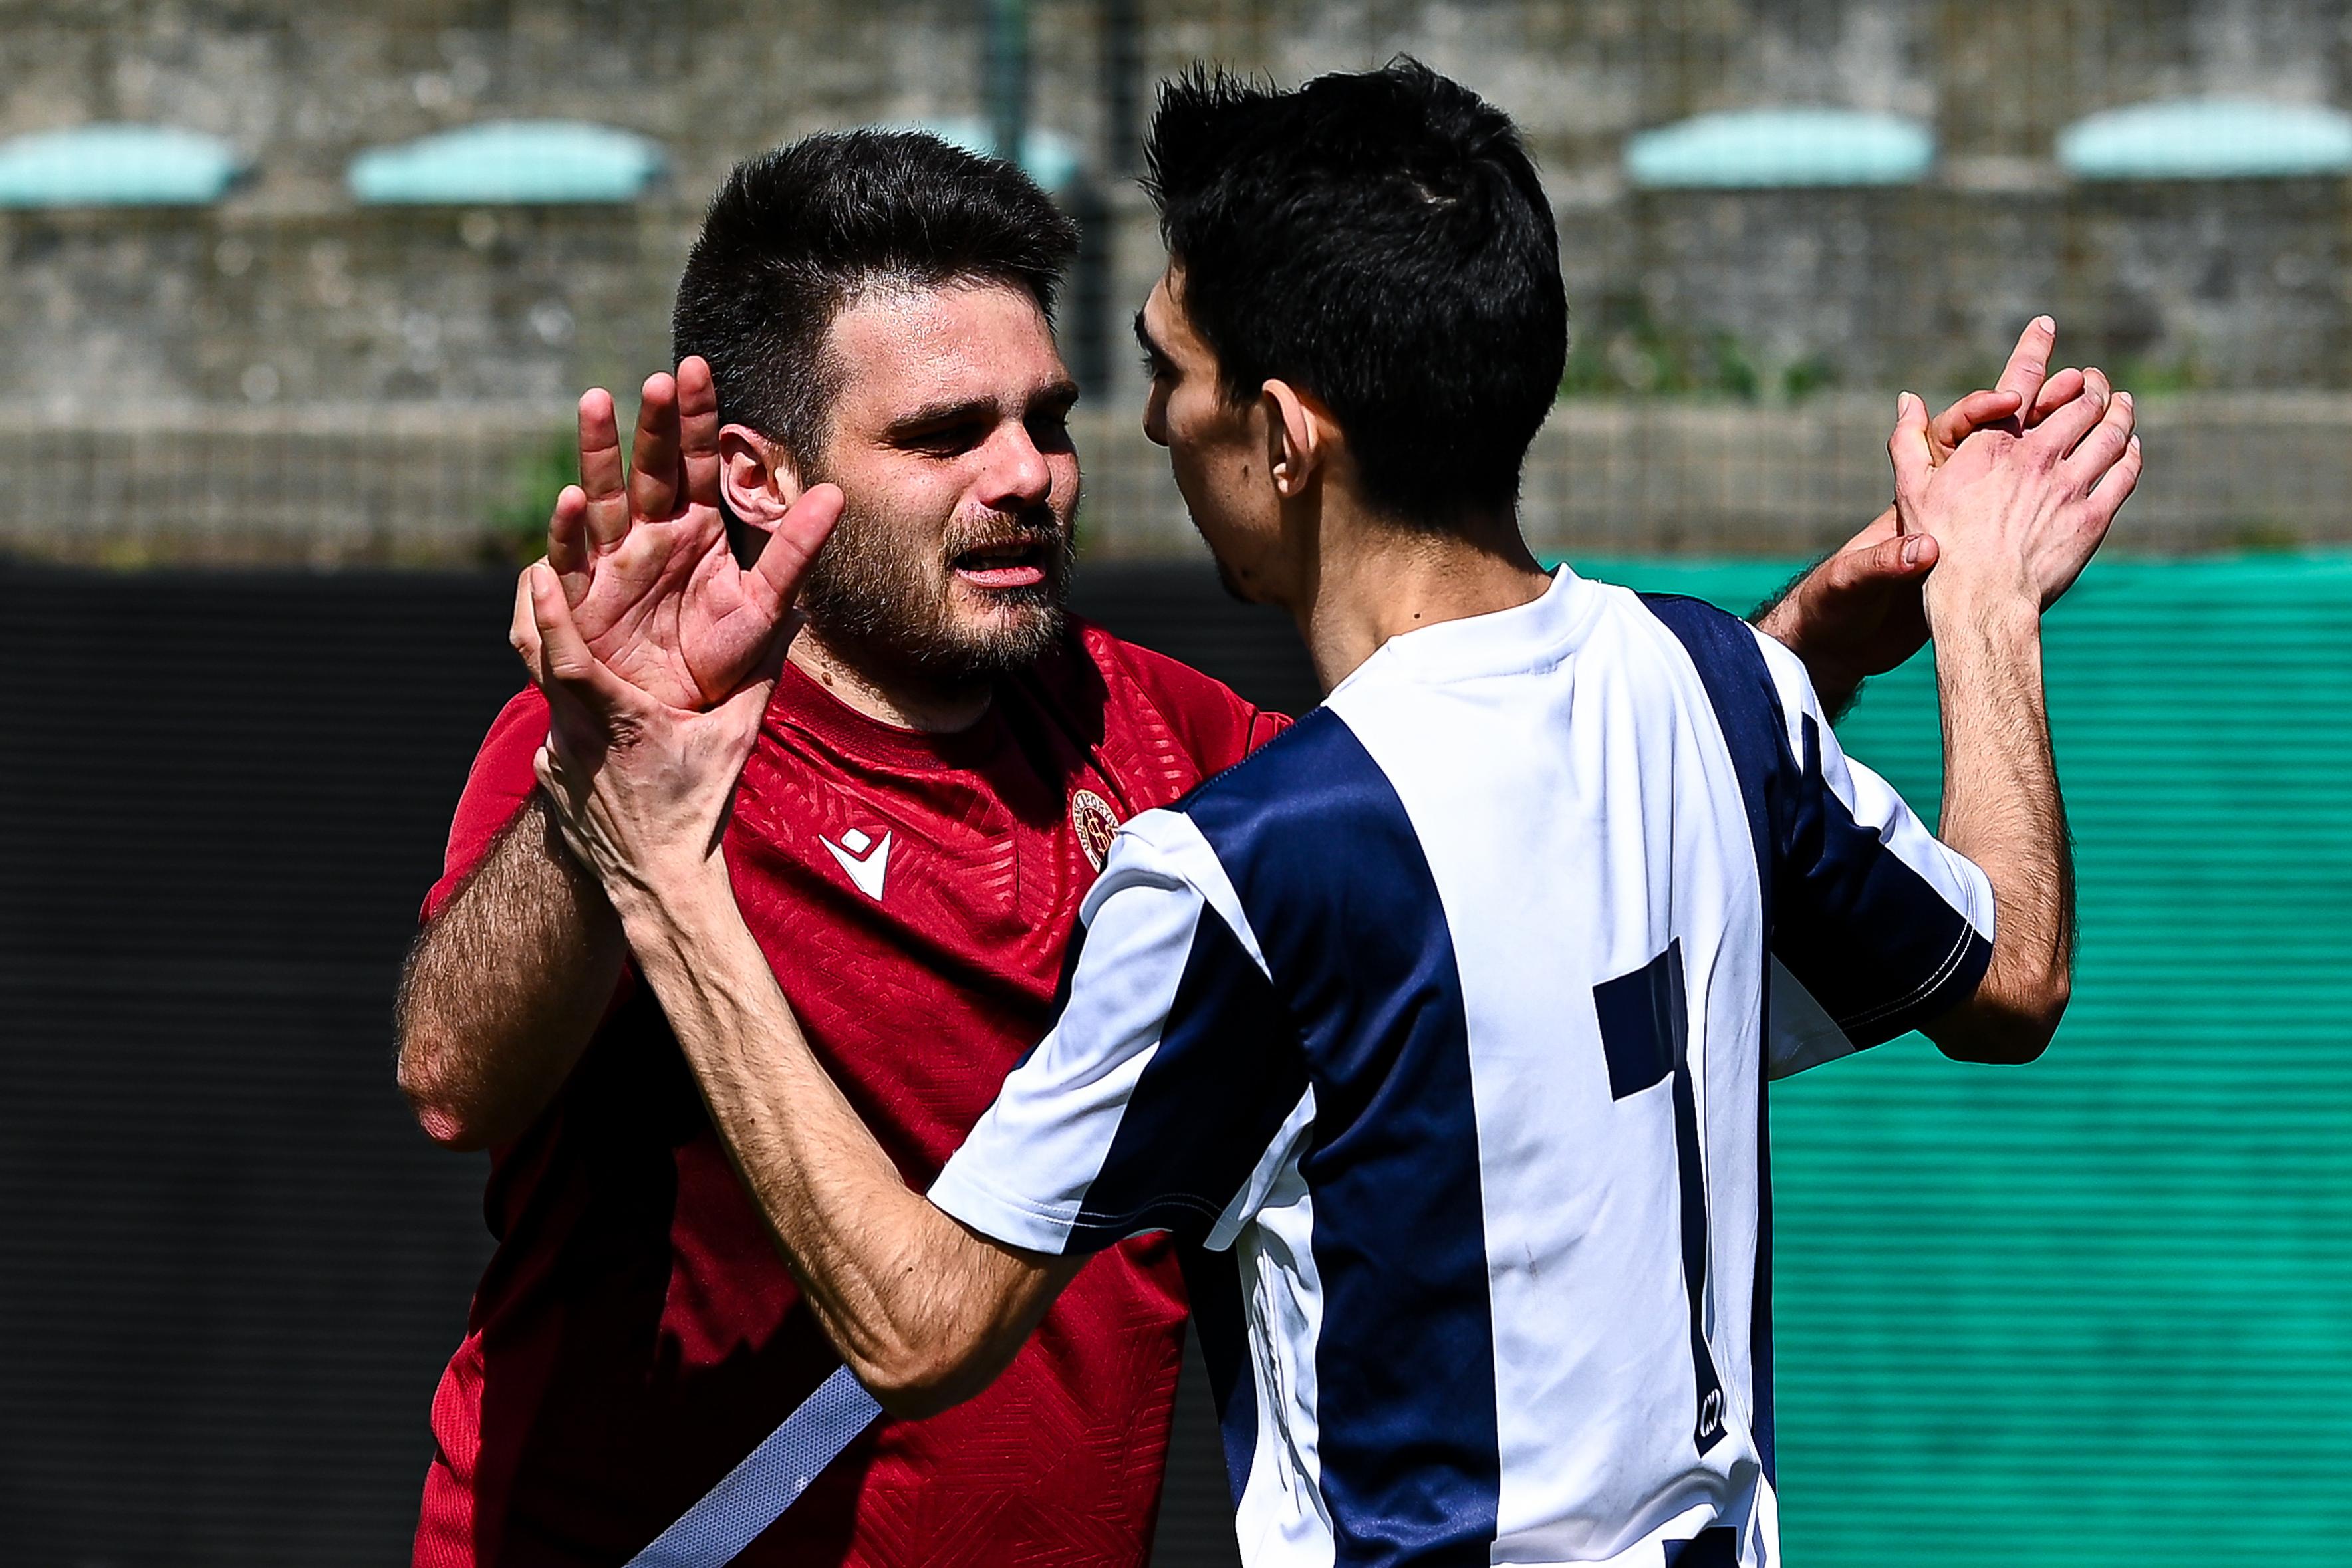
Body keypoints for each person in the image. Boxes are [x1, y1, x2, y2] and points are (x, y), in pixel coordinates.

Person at [398, 122, 2103, 1568]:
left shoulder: (1175, 753)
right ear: (759, 477)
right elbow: (454, 1079)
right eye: (942, 437)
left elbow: (1474, 828)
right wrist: (604, 805)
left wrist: (1797, 648)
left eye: (1050, 414)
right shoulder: (623, 742)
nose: (1037, 473)